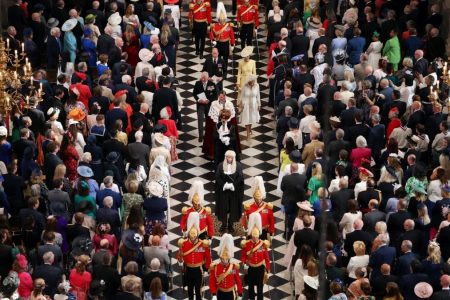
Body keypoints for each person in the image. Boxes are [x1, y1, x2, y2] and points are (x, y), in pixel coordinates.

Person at [177, 212, 211, 300]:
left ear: (197, 234)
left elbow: (208, 257)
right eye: (191, 235)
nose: (192, 237)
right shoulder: (183, 244)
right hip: (188, 270)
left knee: (198, 291)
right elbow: (179, 257)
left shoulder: (202, 244)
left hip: (198, 270)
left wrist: (207, 268)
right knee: (190, 291)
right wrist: (180, 261)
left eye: (194, 235)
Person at [241, 213, 270, 300]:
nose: (255, 239)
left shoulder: (263, 244)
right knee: (250, 288)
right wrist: (245, 263)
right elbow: (243, 257)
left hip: (260, 268)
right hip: (251, 269)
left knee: (260, 289)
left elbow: (267, 258)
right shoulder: (247, 244)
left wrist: (268, 269)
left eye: (256, 237)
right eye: (253, 237)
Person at [215, 150, 244, 233]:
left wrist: (233, 185)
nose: (229, 159)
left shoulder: (238, 166)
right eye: (228, 157)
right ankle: (223, 224)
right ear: (225, 157)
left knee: (233, 207)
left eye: (231, 157)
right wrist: (224, 185)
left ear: (233, 158)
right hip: (223, 190)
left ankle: (231, 225)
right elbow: (217, 176)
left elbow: (240, 177)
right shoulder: (221, 165)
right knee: (223, 207)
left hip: (234, 191)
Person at [209, 234, 243, 299]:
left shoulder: (233, 267)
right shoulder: (215, 267)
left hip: (231, 293)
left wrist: (240, 293)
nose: (225, 259)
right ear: (220, 256)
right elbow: (212, 281)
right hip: (220, 293)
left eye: (227, 257)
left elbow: (238, 280)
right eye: (223, 257)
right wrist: (213, 294)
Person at [210, 4, 235, 76]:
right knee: (219, 59)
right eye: (221, 20)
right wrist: (213, 40)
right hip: (219, 44)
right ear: (219, 20)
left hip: (226, 44)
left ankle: (225, 71)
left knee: (225, 59)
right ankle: (220, 70)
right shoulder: (215, 26)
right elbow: (212, 34)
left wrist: (232, 44)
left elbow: (232, 36)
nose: (222, 21)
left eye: (223, 20)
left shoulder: (229, 26)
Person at [193, 72, 218, 143]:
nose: (203, 79)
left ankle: (207, 135)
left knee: (208, 121)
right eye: (202, 77)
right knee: (200, 121)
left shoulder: (212, 84)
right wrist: (198, 100)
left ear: (208, 78)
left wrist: (209, 100)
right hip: (200, 105)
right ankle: (200, 136)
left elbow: (215, 95)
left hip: (209, 105)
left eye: (204, 78)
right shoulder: (197, 83)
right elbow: (194, 93)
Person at [239, 74, 260, 139]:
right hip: (246, 105)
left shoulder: (257, 86)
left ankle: (250, 129)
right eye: (252, 81)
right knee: (246, 119)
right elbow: (241, 96)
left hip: (254, 104)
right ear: (249, 81)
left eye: (254, 81)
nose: (253, 83)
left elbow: (258, 96)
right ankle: (248, 133)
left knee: (252, 118)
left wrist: (259, 104)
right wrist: (241, 105)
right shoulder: (244, 86)